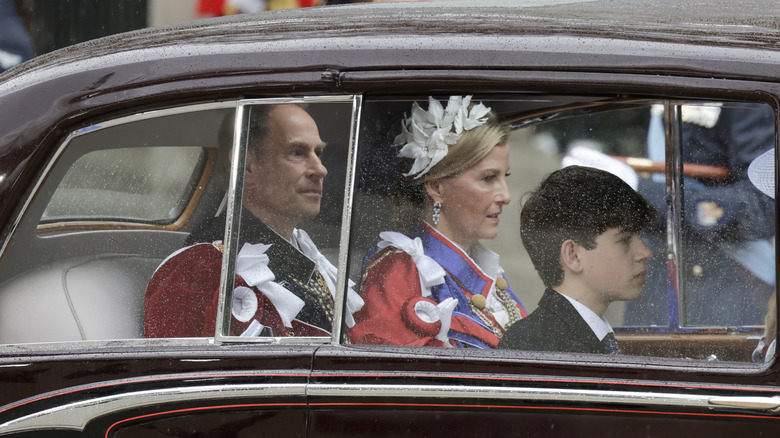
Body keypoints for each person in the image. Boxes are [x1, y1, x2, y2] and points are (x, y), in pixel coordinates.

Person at [145, 103, 363, 338]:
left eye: (318, 153)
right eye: (297, 153)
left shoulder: (302, 253)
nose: (321, 169)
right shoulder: (202, 270)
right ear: (246, 166)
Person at [348, 96, 527, 348]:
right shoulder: (401, 270)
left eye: (504, 176)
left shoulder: (489, 273)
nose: (506, 196)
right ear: (437, 186)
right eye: (488, 178)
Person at [499, 166, 656, 354]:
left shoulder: (564, 337)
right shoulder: (543, 348)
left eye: (639, 237)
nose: (645, 252)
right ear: (573, 256)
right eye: (624, 240)